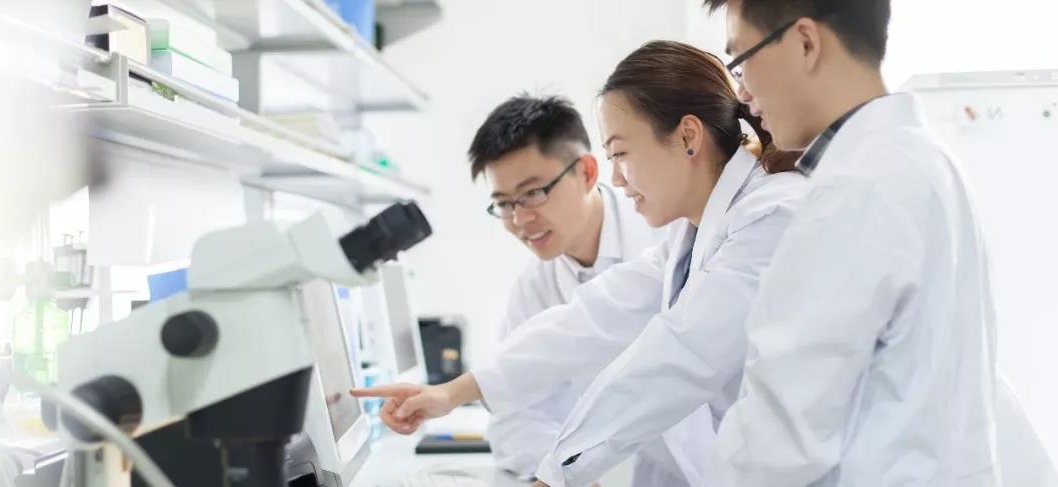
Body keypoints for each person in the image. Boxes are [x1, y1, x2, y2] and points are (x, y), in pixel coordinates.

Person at [352, 40, 810, 486]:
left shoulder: (768, 218)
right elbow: (591, 318)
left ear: (688, 136)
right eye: (506, 203)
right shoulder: (688, 237)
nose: (618, 179)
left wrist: (558, 475)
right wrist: (452, 393)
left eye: (621, 154)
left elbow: (677, 359)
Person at [694, 0, 1055, 485]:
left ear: (805, 43)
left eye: (741, 60)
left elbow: (778, 439)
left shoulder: (854, 189)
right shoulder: (925, 161)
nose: (742, 94)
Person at [454, 94, 678, 483]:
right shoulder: (533, 287)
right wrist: (570, 473)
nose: (520, 219)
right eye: (504, 204)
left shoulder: (665, 234)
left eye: (533, 193)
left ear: (587, 172)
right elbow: (513, 420)